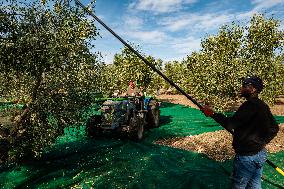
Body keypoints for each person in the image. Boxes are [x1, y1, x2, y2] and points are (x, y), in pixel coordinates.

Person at [202, 76, 279, 189]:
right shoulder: (262, 105)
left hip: (247, 158)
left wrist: (212, 114)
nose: (241, 88)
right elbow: (275, 128)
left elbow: (230, 124)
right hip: (261, 153)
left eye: (244, 86)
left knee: (238, 186)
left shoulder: (248, 106)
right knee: (255, 185)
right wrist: (261, 142)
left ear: (252, 89)